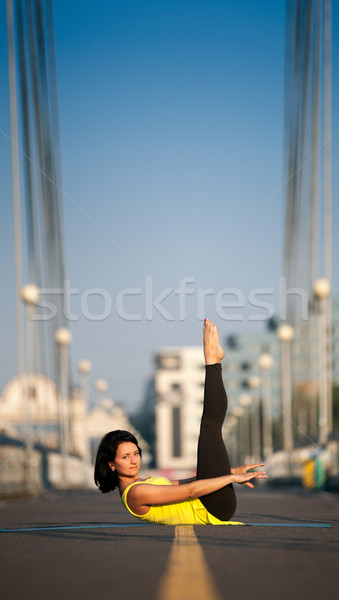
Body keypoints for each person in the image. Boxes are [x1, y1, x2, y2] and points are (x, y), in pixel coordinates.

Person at [94, 319, 267, 525]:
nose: (134, 460)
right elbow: (189, 491)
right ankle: (212, 360)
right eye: (125, 457)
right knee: (210, 427)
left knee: (211, 426)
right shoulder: (135, 494)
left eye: (135, 453)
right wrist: (231, 479)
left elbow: (188, 481)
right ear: (112, 464)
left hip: (212, 503)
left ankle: (214, 360)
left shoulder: (143, 483)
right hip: (211, 507)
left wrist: (230, 472)